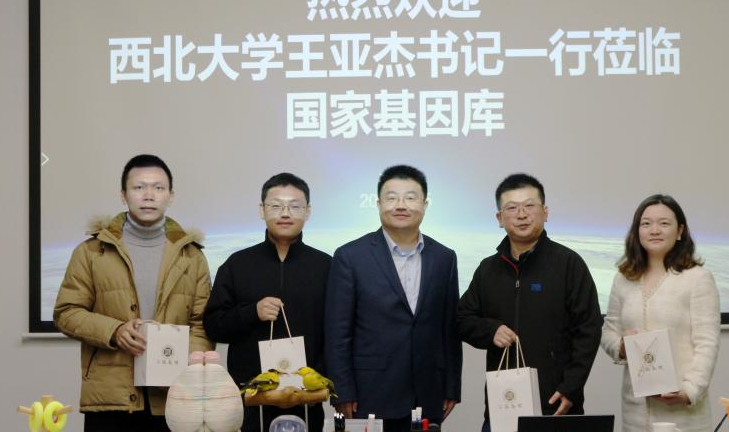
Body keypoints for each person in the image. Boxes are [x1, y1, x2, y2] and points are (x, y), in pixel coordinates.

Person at [54, 154, 213, 432]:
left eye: (158, 188)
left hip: (173, 396)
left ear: (171, 195)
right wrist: (114, 331)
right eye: (139, 187)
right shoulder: (92, 251)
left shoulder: (191, 256)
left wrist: (185, 366)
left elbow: (201, 324)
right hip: (111, 397)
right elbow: (66, 312)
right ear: (123, 195)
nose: (149, 195)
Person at [457, 173, 602, 429]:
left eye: (529, 206)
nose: (521, 215)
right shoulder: (488, 270)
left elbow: (588, 329)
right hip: (503, 405)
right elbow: (462, 319)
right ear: (499, 218)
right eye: (512, 208)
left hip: (557, 405)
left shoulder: (568, 264)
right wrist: (491, 330)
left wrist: (571, 387)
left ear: (545, 212)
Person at [325, 165, 462, 432]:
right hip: (369, 393)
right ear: (378, 204)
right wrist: (342, 390)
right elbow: (337, 332)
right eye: (391, 197)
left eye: (410, 197)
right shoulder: (350, 256)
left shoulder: (444, 258)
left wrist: (451, 386)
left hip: (427, 392)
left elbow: (449, 330)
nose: (401, 205)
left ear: (425, 204)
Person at [204, 173, 332, 432]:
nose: (285, 213)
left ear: (308, 211)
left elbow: (337, 332)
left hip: (307, 396)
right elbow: (214, 326)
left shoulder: (326, 266)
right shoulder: (237, 264)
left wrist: (320, 377)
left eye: (294, 206)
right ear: (261, 210)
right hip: (253, 399)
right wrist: (252, 312)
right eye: (275, 205)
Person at [600, 194, 720, 432]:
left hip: (683, 412)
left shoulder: (697, 278)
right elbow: (608, 332)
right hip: (635, 413)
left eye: (664, 223)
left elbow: (707, 343)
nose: (654, 230)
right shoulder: (623, 278)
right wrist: (621, 347)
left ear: (680, 231)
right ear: (637, 231)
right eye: (646, 224)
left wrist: (689, 391)